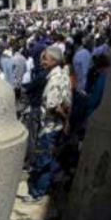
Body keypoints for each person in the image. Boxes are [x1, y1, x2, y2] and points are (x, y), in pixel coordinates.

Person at [23, 45, 71, 203]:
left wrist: (65, 121)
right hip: (54, 125)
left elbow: (54, 106)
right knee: (48, 156)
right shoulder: (61, 74)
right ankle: (55, 179)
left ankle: (38, 193)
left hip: (50, 126)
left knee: (43, 159)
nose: (42, 61)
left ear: (54, 61)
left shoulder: (55, 79)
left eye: (45, 58)